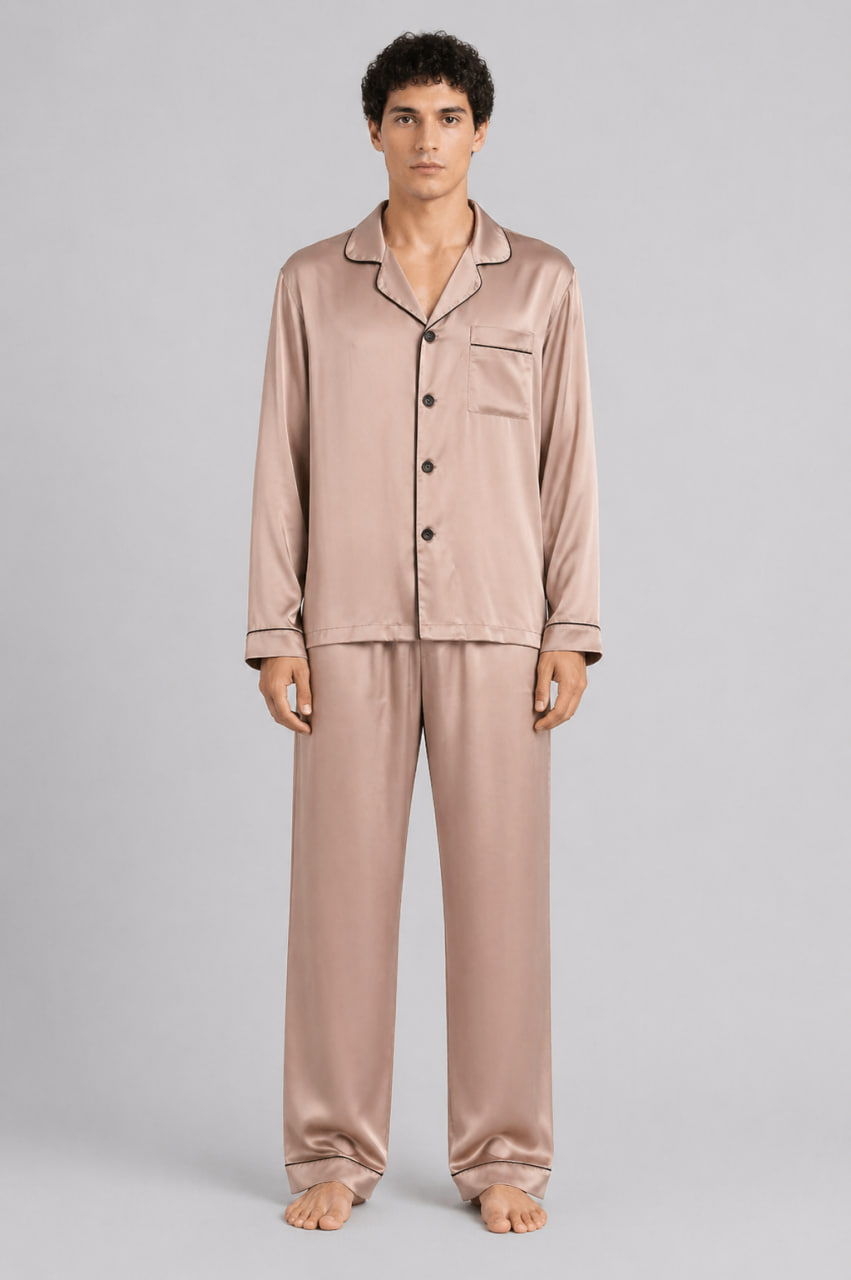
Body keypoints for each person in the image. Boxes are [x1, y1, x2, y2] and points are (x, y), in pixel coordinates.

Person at [244, 30, 602, 1234]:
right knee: (337, 903)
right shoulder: (311, 282)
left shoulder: (542, 282)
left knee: (500, 899)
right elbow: (280, 459)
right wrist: (276, 629)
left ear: (480, 132)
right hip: (345, 624)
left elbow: (569, 463)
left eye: (448, 117)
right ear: (373, 132)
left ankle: (503, 1152)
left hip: (499, 626)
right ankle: (329, 1149)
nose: (427, 139)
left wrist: (570, 625)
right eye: (404, 117)